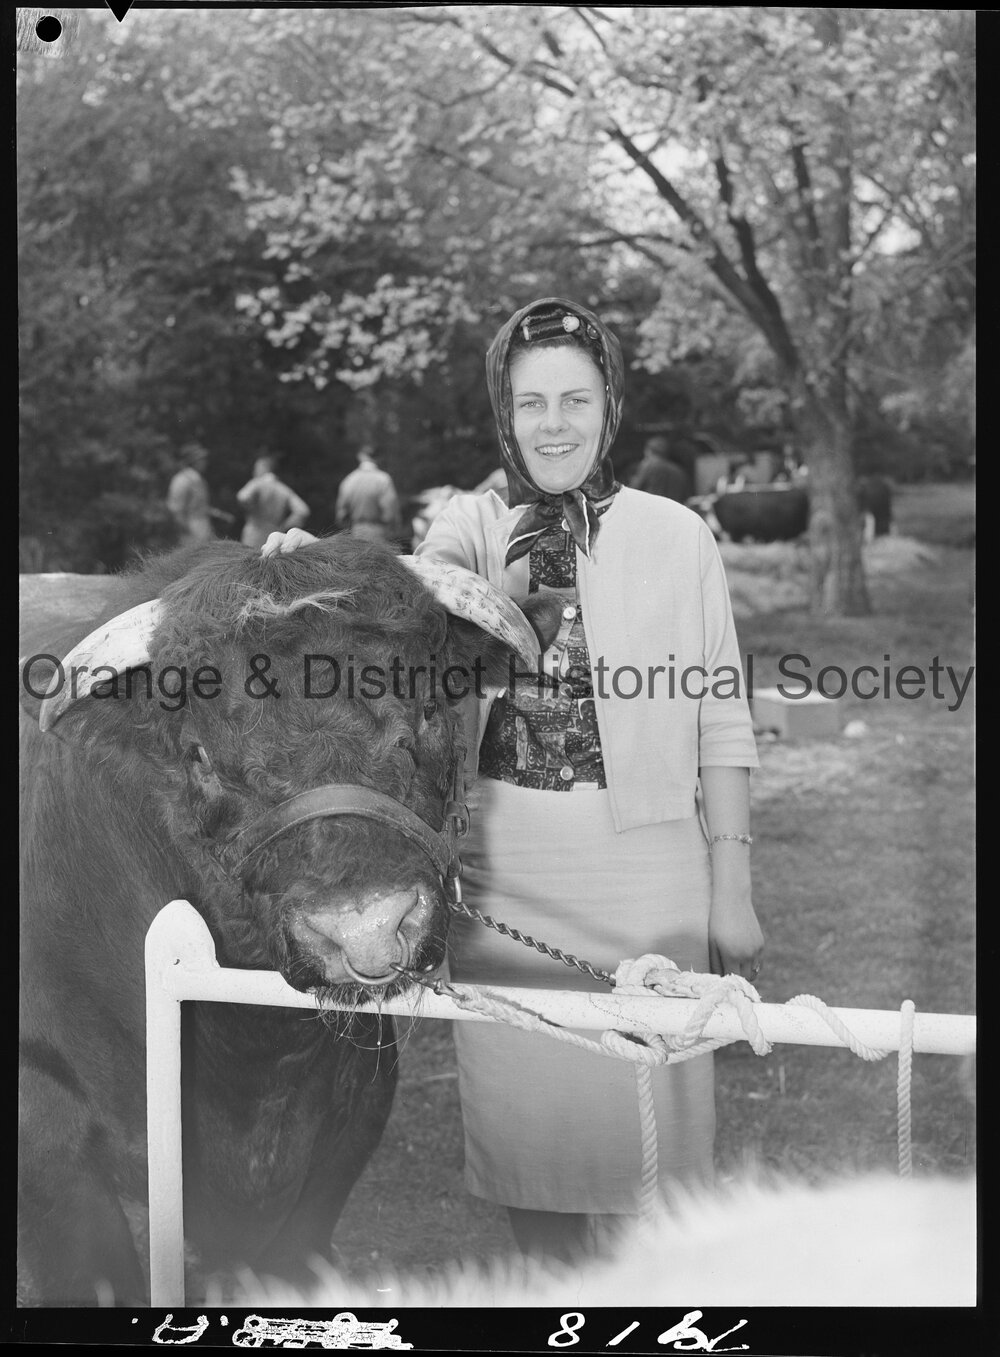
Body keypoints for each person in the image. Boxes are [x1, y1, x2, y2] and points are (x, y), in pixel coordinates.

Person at [262, 297, 763, 1267]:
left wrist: (732, 892)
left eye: (575, 398)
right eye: (532, 402)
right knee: (536, 1171)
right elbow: (401, 593)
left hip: (648, 879)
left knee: (655, 1178)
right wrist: (313, 570)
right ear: (504, 406)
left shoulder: (677, 536)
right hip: (504, 883)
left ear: (609, 403)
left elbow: (720, 717)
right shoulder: (470, 526)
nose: (555, 423)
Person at [236, 454, 311, 549]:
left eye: (256, 467)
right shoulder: (283, 489)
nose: (254, 471)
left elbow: (242, 497)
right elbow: (303, 510)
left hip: (253, 535)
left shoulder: (257, 483)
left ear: (264, 468)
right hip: (274, 537)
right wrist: (284, 526)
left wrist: (251, 509)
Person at [334, 446, 402, 544]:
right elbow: (390, 513)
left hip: (355, 532)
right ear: (378, 458)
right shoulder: (383, 479)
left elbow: (341, 516)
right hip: (379, 533)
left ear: (360, 456)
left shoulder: (349, 480)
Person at [166, 442, 216, 545]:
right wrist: (188, 533)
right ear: (193, 461)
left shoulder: (198, 479)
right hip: (190, 531)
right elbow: (176, 511)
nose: (205, 462)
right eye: (201, 459)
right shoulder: (181, 480)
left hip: (203, 529)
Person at [630, 434, 695, 503]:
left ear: (648, 451)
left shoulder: (647, 467)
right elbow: (687, 496)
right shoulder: (678, 470)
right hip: (673, 510)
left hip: (650, 509)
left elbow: (633, 491)